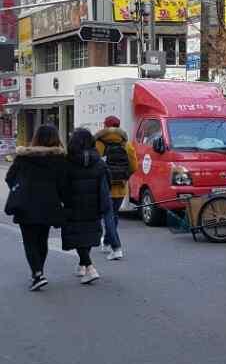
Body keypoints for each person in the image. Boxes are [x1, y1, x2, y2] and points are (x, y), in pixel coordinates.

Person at [4, 125, 68, 291]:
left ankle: (37, 273)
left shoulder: (24, 157)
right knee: (42, 239)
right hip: (49, 205)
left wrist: (19, 188)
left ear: (36, 137)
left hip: (25, 203)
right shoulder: (59, 159)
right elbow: (63, 185)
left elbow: (9, 177)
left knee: (29, 241)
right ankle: (39, 271)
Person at [63, 128, 111, 285]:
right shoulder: (99, 163)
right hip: (94, 206)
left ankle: (89, 268)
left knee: (78, 236)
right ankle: (82, 265)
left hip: (73, 206)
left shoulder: (67, 163)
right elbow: (107, 184)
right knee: (88, 234)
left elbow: (60, 186)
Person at [95, 115, 138, 260]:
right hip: (121, 186)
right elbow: (134, 166)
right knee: (113, 214)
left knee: (108, 216)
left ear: (105, 126)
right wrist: (125, 176)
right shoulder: (126, 144)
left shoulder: (99, 143)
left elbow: (95, 166)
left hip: (104, 186)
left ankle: (116, 247)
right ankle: (107, 242)